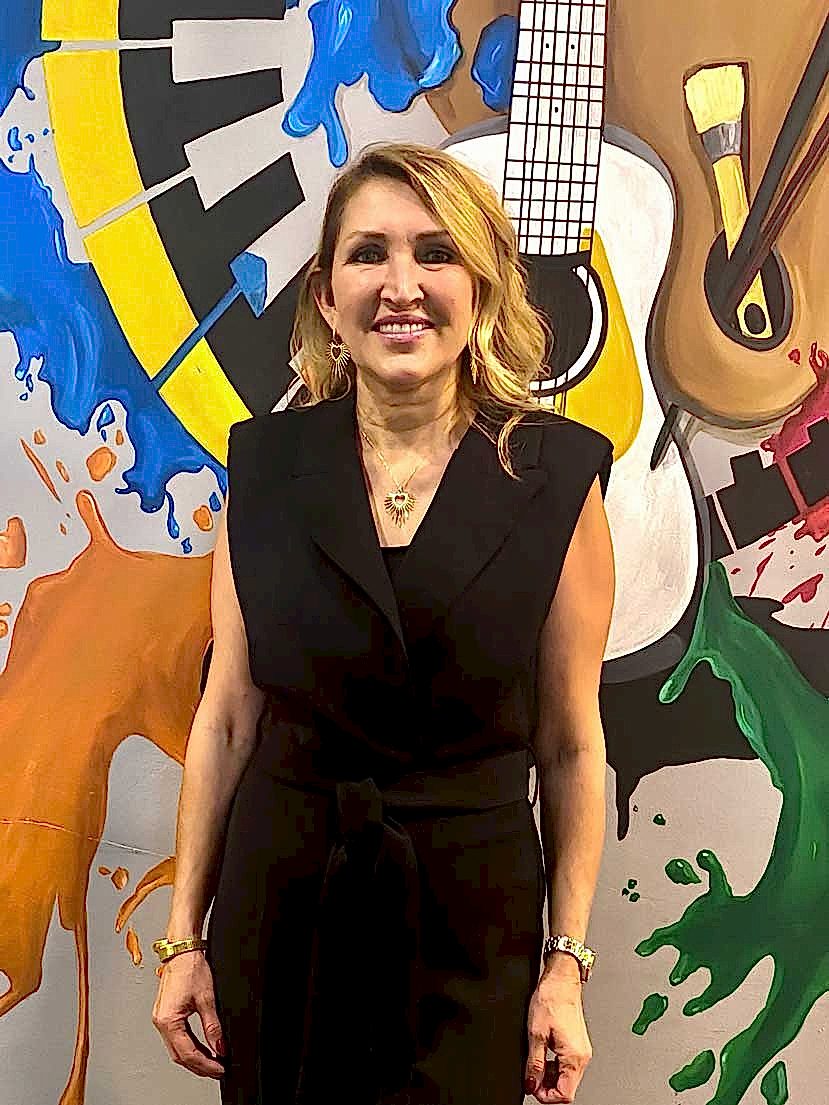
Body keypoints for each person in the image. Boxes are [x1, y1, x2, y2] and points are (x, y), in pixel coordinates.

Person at [151, 141, 615, 1105]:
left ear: (481, 287)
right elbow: (227, 716)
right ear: (327, 295)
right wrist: (182, 939)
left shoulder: (557, 476)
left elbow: (572, 744)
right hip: (284, 909)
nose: (401, 286)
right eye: (369, 254)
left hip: (471, 924)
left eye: (435, 253)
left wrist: (564, 966)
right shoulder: (264, 470)